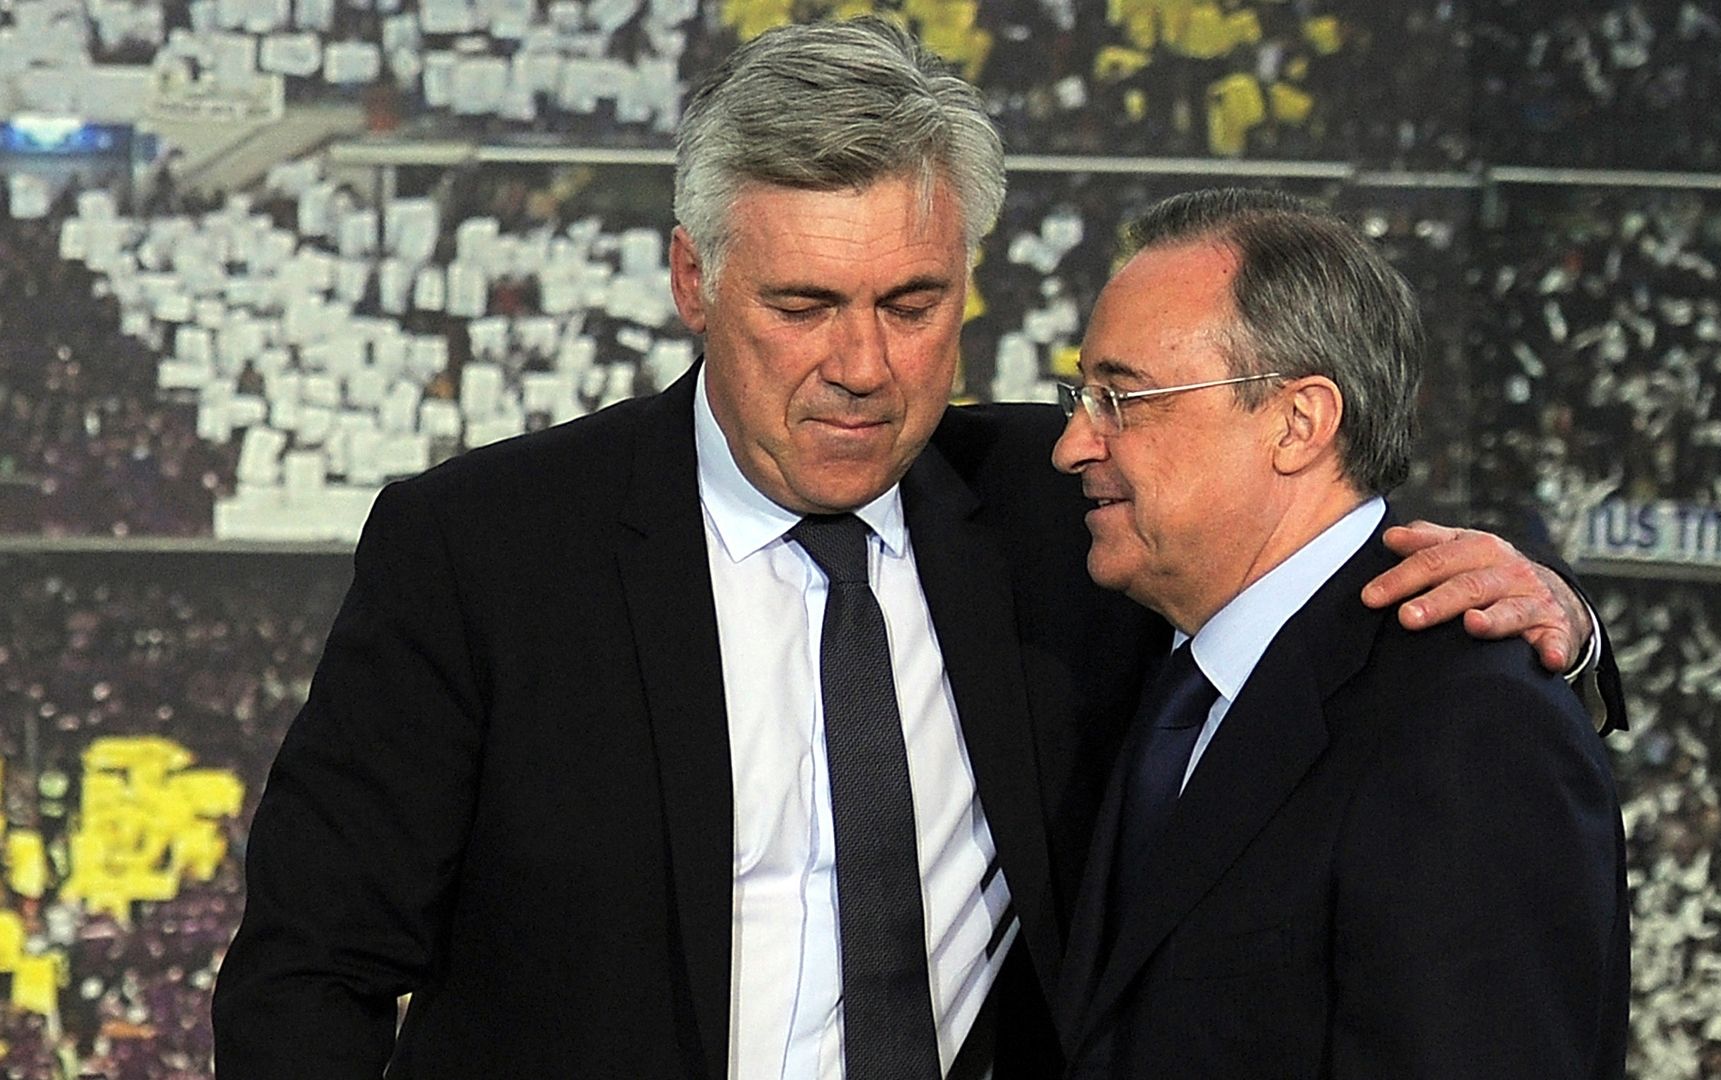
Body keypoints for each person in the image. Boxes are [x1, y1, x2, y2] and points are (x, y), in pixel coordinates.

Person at [212, 19, 1616, 1080]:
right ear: (696, 281)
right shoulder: (486, 551)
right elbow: (308, 974)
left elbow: (1299, 568)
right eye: (807, 303)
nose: (864, 367)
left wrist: (1556, 616)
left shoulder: (1065, 512)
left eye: (913, 300)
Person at [1050, 189, 1628, 1078]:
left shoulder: (1469, 732)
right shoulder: (1135, 645)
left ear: (1298, 422)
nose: (1072, 445)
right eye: (1079, 397)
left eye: (1123, 399)